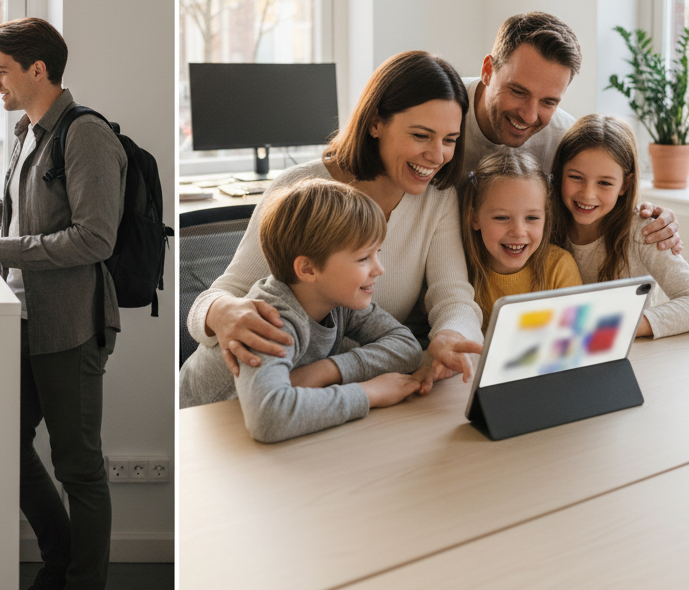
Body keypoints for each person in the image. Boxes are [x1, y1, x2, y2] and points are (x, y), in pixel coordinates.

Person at [0, 17, 125, 590]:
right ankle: (62, 565)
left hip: (70, 327)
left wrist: (2, 248)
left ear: (37, 70)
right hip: (22, 317)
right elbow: (27, 217)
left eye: (1, 70)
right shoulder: (26, 132)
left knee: (80, 468)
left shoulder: (86, 134)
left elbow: (95, 237)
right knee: (2, 444)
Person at [186, 50, 484, 395]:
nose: (437, 156)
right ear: (375, 123)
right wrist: (221, 313)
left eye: (450, 140)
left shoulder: (437, 198)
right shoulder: (297, 188)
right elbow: (218, 296)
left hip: (334, 393)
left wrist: (450, 336)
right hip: (241, 397)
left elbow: (454, 299)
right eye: (421, 135)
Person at [180, 178, 423, 441]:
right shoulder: (270, 321)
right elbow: (269, 418)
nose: (379, 269)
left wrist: (328, 370)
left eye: (377, 253)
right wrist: (370, 393)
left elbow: (407, 348)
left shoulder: (340, 300)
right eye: (364, 258)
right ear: (307, 269)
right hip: (200, 437)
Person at [463, 11, 681, 252]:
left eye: (548, 102)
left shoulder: (565, 139)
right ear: (487, 70)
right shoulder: (439, 111)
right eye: (518, 91)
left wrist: (653, 218)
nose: (529, 115)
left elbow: (604, 198)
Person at [550, 115, 689, 339]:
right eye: (576, 177)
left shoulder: (643, 230)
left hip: (634, 355)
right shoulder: (543, 225)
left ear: (625, 184)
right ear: (559, 174)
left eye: (604, 183)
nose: (587, 194)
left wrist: (627, 324)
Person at [460, 151, 581, 330]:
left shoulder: (559, 266)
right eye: (501, 218)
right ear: (475, 219)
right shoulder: (461, 269)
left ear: (546, 217)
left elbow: (575, 334)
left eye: (532, 218)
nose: (518, 232)